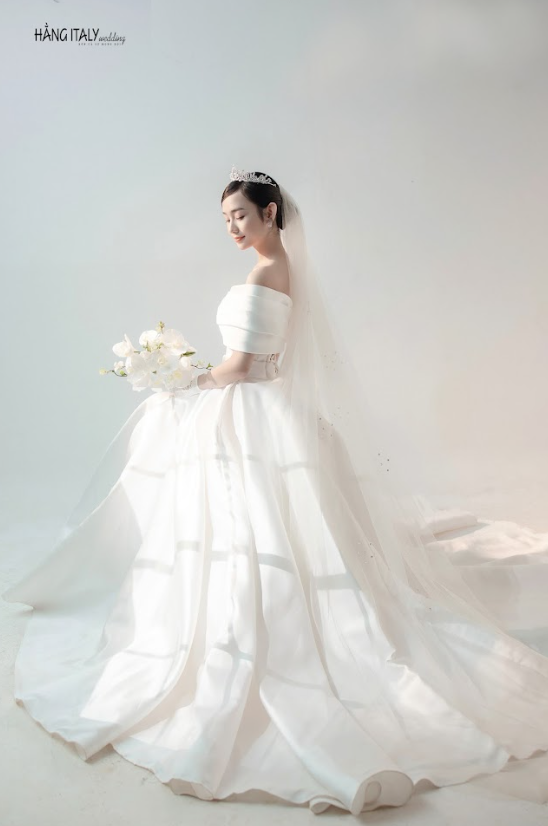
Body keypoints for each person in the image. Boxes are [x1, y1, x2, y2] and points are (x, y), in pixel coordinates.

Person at [4, 166, 548, 817]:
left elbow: (239, 366)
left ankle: (260, 629)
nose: (232, 227)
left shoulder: (265, 275)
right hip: (271, 405)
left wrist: (183, 380)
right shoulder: (281, 268)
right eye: (225, 219)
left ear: (270, 213)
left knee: (250, 522)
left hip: (251, 408)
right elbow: (260, 357)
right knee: (270, 524)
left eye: (241, 214)